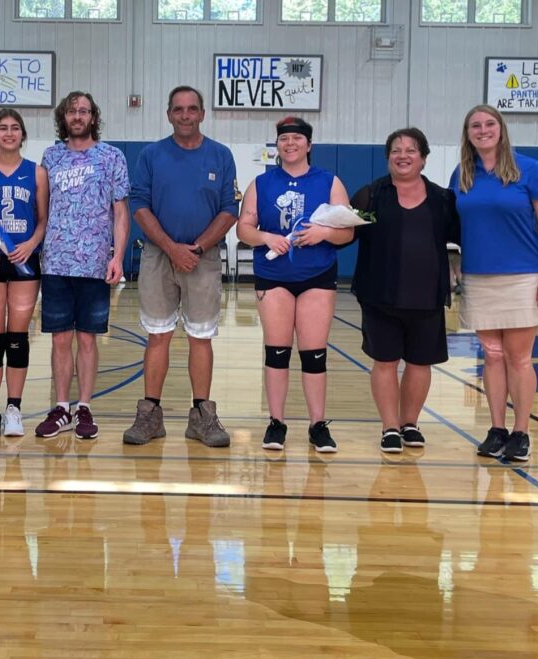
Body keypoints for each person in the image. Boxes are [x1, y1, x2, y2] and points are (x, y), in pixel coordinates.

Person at [122, 85, 238, 448]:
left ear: (202, 113)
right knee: (158, 335)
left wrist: (197, 247)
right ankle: (150, 415)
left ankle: (202, 415)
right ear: (169, 115)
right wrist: (172, 248)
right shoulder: (152, 155)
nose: (185, 115)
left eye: (192, 109)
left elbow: (229, 209)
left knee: (200, 337)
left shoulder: (221, 155)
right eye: (178, 109)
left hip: (203, 259)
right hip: (159, 256)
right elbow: (139, 204)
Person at [234, 116, 353, 453]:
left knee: (314, 354)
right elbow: (244, 229)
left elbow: (348, 230)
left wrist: (323, 233)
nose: (290, 144)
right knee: (277, 351)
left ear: (308, 145)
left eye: (296, 139)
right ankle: (277, 423)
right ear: (278, 145)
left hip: (316, 276)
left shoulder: (329, 182)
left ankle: (317, 425)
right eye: (284, 139)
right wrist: (266, 237)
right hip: (274, 278)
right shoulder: (261, 183)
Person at [450, 104, 538, 463]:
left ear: (501, 128)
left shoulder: (529, 169)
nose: (483, 130)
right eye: (475, 126)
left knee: (519, 358)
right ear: (468, 134)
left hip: (524, 275)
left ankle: (521, 431)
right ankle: (496, 429)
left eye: (489, 124)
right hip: (479, 277)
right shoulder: (463, 174)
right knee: (492, 357)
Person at [350, 128, 460, 455]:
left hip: (426, 297)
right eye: (396, 150)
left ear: (424, 158)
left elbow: (461, 239)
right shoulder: (370, 195)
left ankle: (409, 423)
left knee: (419, 363)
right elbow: (344, 233)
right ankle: (390, 428)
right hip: (379, 295)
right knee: (385, 362)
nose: (403, 155)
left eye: (411, 150)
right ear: (388, 158)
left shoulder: (443, 200)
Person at [34, 91, 130, 440]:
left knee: (87, 339)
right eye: (72, 111)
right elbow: (43, 211)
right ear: (64, 117)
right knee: (60, 339)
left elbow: (120, 212)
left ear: (93, 117)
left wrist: (117, 256)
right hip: (57, 261)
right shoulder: (51, 157)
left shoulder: (111, 157)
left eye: (84, 111)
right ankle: (61, 407)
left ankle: (85, 407)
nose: (78, 116)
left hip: (94, 263)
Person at [0, 108, 49, 438]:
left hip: (24, 260)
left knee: (17, 336)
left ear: (23, 135)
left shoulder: (37, 173)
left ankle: (14, 408)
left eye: (15, 128)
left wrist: (30, 244)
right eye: (3, 128)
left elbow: (43, 219)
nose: (9, 133)